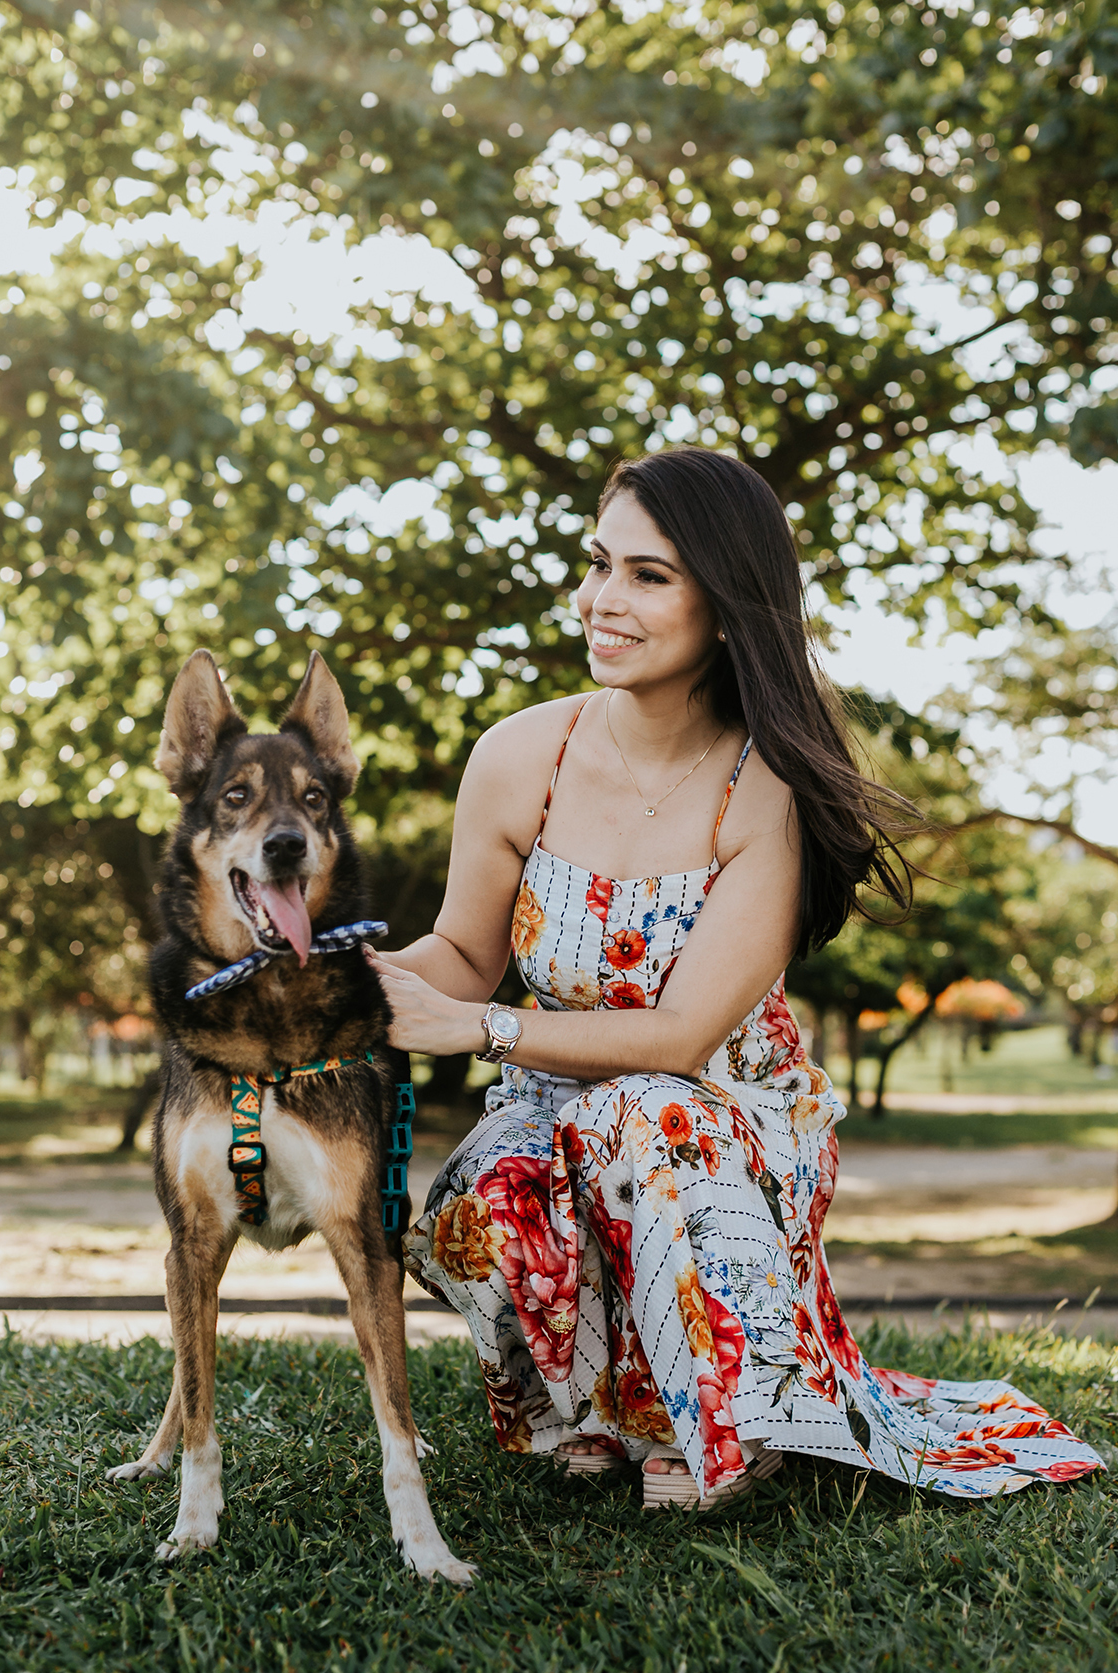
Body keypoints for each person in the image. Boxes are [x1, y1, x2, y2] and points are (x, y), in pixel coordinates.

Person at [367, 448, 1103, 1509]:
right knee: (498, 1173)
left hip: (722, 1127)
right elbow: (465, 956)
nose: (600, 601)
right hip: (563, 1106)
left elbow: (674, 1041)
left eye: (648, 575)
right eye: (597, 564)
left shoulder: (771, 794)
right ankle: (603, 1410)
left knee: (646, 1113)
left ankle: (715, 1420)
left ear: (727, 606)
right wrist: (363, 984)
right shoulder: (522, 755)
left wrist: (477, 1028)